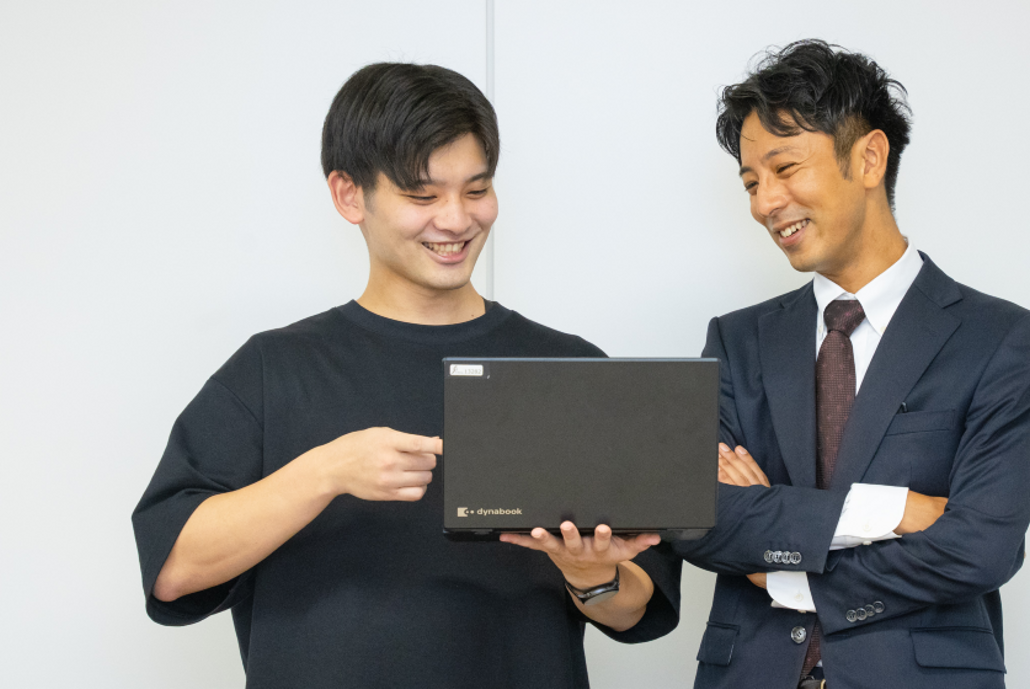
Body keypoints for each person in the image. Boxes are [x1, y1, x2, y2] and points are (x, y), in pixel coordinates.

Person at [131, 63, 679, 688]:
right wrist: (326, 472)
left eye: (477, 189)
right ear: (349, 194)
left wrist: (592, 577)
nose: (456, 220)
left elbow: (640, 607)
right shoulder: (270, 370)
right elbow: (172, 569)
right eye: (423, 196)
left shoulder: (569, 369)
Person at [671, 40, 1030, 689]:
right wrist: (894, 511)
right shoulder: (737, 340)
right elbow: (693, 518)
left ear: (869, 157)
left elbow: (980, 546)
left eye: (785, 168)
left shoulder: (999, 339)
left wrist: (790, 575)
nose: (765, 203)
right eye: (752, 183)